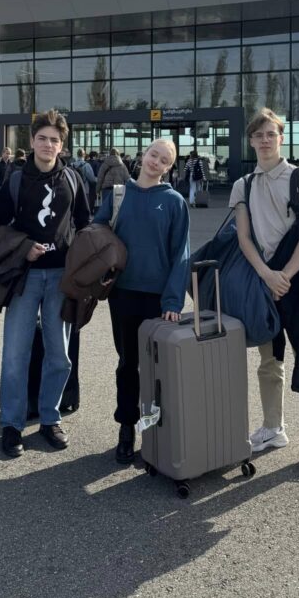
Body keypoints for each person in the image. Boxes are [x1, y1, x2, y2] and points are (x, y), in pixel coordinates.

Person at [229, 107, 299, 478]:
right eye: (258, 135)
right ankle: (274, 428)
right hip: (265, 282)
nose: (265, 140)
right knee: (269, 361)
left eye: (271, 134)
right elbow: (243, 237)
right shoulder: (243, 185)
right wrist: (266, 275)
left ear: (281, 138)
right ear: (251, 140)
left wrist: (283, 275)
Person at [0, 109, 91, 458]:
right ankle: (12, 425)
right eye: (42, 138)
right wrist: (23, 247)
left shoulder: (73, 179)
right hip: (24, 278)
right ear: (32, 141)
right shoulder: (16, 180)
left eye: (54, 140)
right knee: (15, 356)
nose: (48, 144)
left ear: (62, 145)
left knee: (59, 356)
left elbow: (85, 225)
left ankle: (50, 418)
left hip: (60, 278)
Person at [92, 139, 189, 464]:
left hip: (158, 300)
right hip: (122, 294)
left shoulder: (174, 202)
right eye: (153, 154)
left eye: (164, 160)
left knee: (158, 370)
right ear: (143, 155)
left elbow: (181, 255)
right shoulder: (119, 195)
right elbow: (97, 232)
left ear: (169, 167)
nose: (155, 162)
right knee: (127, 364)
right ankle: (126, 428)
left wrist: (173, 301)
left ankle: (156, 431)